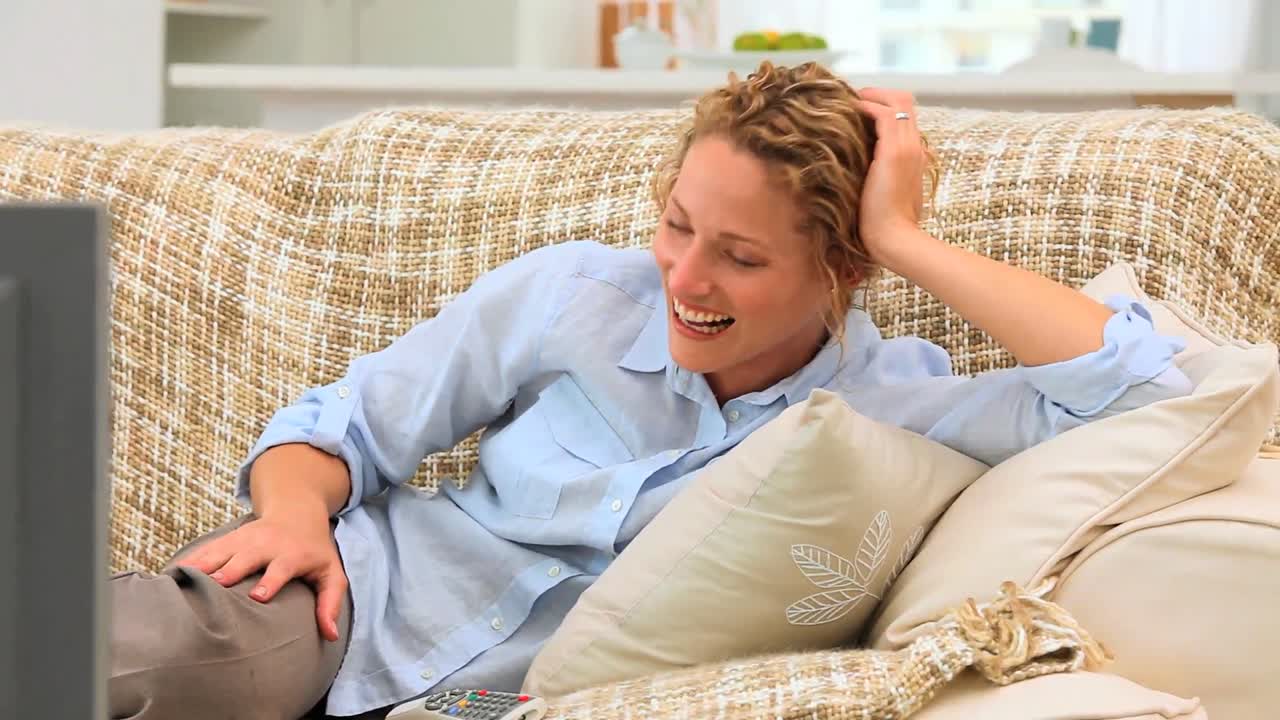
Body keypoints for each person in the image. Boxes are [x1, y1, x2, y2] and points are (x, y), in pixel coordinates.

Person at [108, 62, 1190, 719]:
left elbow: (1147, 392)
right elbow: (338, 426)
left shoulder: (893, 406)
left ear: (840, 267)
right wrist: (295, 517)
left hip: (510, 704)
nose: (684, 277)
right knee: (135, 660)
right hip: (360, 605)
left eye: (739, 256)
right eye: (676, 225)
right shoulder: (570, 294)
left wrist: (902, 236)